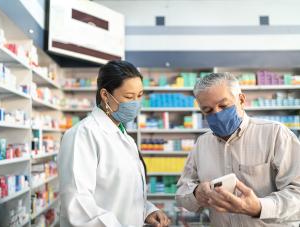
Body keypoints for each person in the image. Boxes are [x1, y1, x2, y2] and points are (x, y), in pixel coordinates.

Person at [176, 72, 300, 226]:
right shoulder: (202, 144)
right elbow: (181, 192)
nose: (217, 114)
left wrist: (260, 207)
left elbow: (297, 192)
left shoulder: (275, 134)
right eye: (208, 110)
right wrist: (196, 193)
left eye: (223, 106)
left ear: (241, 100)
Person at [58, 60, 170, 227]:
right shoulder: (83, 134)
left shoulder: (125, 137)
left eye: (139, 96)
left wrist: (147, 210)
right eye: (128, 97)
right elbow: (77, 205)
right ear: (105, 95)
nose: (135, 104)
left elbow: (124, 192)